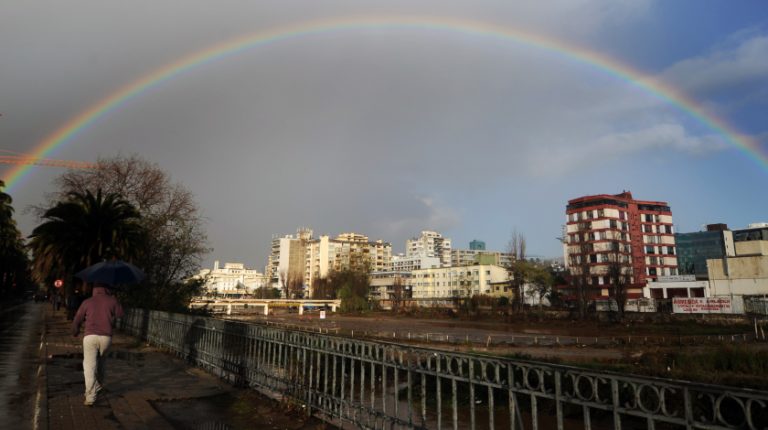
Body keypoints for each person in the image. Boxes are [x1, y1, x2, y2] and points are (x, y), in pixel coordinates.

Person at [71, 283, 124, 406]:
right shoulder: (112, 300)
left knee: (89, 366)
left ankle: (90, 397)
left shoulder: (87, 302)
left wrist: (75, 331)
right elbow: (120, 314)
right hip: (106, 338)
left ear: (94, 289)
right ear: (107, 289)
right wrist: (115, 300)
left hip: (90, 337)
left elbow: (77, 318)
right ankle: (98, 385)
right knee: (102, 362)